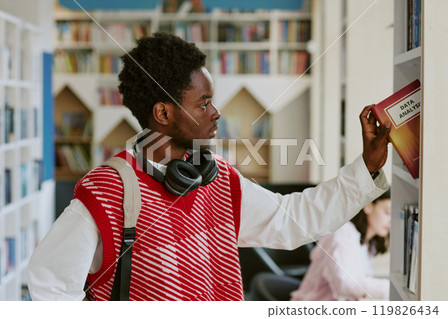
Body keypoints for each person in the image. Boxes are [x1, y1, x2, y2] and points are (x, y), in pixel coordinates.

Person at [27, 32, 389, 301]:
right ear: (163, 113)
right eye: (203, 104)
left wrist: (366, 167)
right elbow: (49, 287)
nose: (216, 113)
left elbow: (295, 219)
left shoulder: (218, 178)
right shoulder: (108, 190)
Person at [290, 190, 391, 301]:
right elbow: (344, 284)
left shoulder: (370, 243)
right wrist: (388, 287)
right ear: (368, 207)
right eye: (387, 213)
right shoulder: (343, 233)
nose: (390, 221)